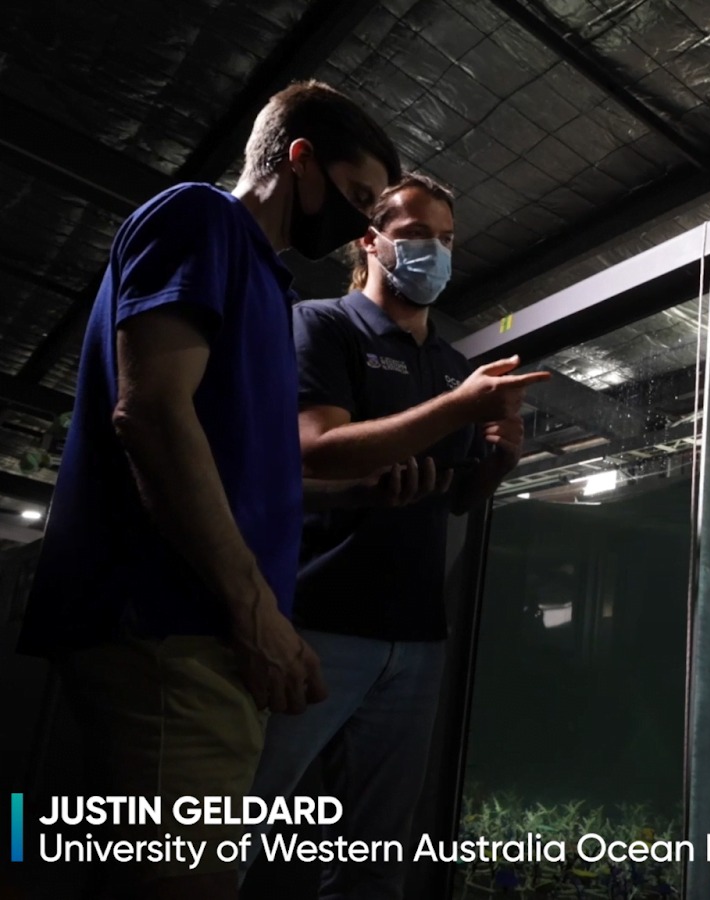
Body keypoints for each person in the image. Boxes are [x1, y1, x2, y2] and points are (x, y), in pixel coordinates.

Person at [17, 81, 401, 899]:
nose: (364, 224)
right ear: (300, 161)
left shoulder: (269, 286)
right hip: (172, 628)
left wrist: (350, 496)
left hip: (197, 635)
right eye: (358, 196)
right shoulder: (203, 218)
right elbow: (150, 413)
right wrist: (255, 611)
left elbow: (231, 463)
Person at [240, 172, 547, 899]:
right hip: (315, 622)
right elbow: (316, 447)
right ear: (370, 241)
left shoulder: (450, 367)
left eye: (446, 240)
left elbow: (459, 499)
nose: (435, 254)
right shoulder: (322, 325)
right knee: (234, 823)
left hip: (416, 638)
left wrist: (499, 459)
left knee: (375, 853)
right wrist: (455, 411)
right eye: (415, 237)